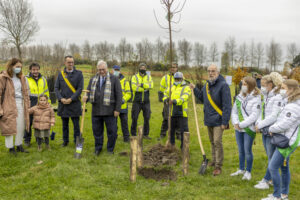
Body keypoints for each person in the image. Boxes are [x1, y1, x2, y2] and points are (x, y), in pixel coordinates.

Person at [261, 79, 300, 200]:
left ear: (292, 89)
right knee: (284, 167)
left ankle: (276, 195)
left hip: (287, 142)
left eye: (284, 88)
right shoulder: (290, 102)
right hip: (285, 139)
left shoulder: (294, 106)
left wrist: (271, 128)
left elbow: (285, 124)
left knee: (273, 167)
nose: (281, 90)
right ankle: (284, 194)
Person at [190, 64, 232, 176]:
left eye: (213, 71)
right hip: (209, 118)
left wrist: (225, 121)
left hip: (219, 119)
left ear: (218, 72)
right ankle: (214, 161)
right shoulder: (207, 85)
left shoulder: (224, 86)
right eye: (209, 71)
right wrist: (194, 89)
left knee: (217, 142)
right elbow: (202, 97)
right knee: (212, 141)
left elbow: (227, 105)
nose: (210, 73)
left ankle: (218, 166)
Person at [83, 60, 122, 155]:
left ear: (107, 68)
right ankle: (98, 148)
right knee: (97, 131)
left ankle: (110, 149)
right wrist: (85, 98)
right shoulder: (93, 79)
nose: (101, 71)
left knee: (112, 131)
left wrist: (117, 109)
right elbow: (88, 91)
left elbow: (119, 95)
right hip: (96, 110)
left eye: (103, 69)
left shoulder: (114, 79)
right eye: (99, 69)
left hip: (110, 110)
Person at [254, 72, 284, 189]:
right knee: (269, 155)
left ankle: (266, 180)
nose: (262, 87)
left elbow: (273, 116)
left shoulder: (276, 97)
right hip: (265, 129)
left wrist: (260, 125)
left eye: (263, 85)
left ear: (270, 84)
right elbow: (264, 112)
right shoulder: (268, 96)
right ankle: (271, 178)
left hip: (272, 130)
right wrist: (258, 123)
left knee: (272, 157)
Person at [231, 77, 261, 180]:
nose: (242, 86)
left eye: (244, 84)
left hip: (249, 129)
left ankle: (248, 171)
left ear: (250, 85)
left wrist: (241, 124)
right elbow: (234, 111)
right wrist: (235, 122)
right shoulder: (239, 97)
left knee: (247, 150)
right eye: (242, 84)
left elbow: (254, 116)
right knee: (240, 150)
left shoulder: (256, 98)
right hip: (238, 128)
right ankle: (241, 169)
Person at [0, 58, 30, 154]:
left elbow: (25, 92)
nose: (19, 69)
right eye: (17, 66)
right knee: (9, 126)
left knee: (21, 125)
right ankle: (10, 148)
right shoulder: (3, 77)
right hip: (8, 103)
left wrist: (27, 104)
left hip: (21, 103)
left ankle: (19, 144)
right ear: (11, 66)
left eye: (20, 67)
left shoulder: (22, 78)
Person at [54, 55, 83, 147]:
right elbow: (56, 88)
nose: (70, 64)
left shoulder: (79, 74)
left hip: (74, 103)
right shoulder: (60, 74)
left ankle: (76, 142)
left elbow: (80, 88)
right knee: (65, 125)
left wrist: (71, 99)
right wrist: (61, 98)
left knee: (76, 125)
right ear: (65, 63)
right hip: (63, 103)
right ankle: (65, 141)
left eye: (72, 62)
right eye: (68, 62)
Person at [24, 62, 50, 146]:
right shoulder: (25, 79)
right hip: (30, 102)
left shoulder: (43, 79)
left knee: (39, 121)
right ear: (30, 70)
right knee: (29, 122)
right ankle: (27, 140)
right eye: (33, 69)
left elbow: (46, 91)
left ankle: (39, 138)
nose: (35, 71)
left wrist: (47, 102)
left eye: (37, 69)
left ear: (39, 69)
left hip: (41, 103)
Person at [162, 72, 191, 148]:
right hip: (172, 112)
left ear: (182, 79)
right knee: (171, 130)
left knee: (183, 131)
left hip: (182, 113)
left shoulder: (186, 87)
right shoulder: (171, 86)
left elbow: (185, 97)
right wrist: (165, 99)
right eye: (176, 79)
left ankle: (183, 148)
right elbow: (165, 93)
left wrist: (175, 101)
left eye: (179, 79)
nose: (177, 80)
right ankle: (171, 146)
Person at [130, 63, 154, 139]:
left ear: (146, 69)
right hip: (137, 101)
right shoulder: (134, 77)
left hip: (146, 101)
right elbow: (134, 87)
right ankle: (133, 134)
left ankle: (145, 134)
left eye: (144, 68)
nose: (143, 69)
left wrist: (141, 85)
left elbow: (151, 86)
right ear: (139, 68)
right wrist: (145, 88)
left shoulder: (149, 77)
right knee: (134, 117)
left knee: (147, 118)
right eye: (141, 67)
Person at [159, 62, 179, 140]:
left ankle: (177, 134)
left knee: (177, 117)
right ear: (169, 68)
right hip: (167, 100)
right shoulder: (165, 78)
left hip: (176, 101)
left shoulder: (181, 76)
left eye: (174, 67)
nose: (173, 68)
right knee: (166, 117)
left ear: (177, 68)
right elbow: (161, 88)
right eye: (171, 67)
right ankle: (163, 134)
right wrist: (167, 95)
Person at [112, 65, 131, 143]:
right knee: (113, 124)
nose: (116, 71)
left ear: (120, 71)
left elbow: (129, 93)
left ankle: (126, 138)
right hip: (113, 107)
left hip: (123, 106)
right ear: (112, 70)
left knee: (124, 123)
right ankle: (114, 137)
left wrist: (123, 100)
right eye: (115, 70)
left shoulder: (125, 81)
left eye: (118, 70)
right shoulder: (110, 79)